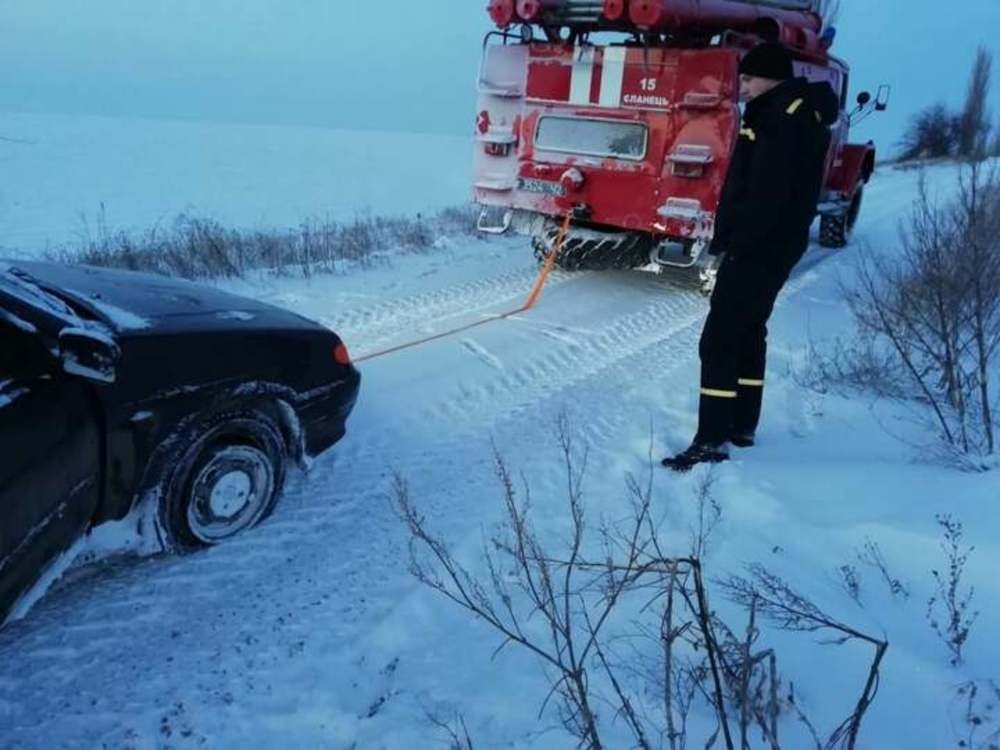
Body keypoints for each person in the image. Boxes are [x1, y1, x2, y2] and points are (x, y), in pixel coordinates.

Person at [662, 42, 838, 472]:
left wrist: (737, 243)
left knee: (720, 339)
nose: (741, 86)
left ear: (770, 78)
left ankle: (711, 439)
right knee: (748, 332)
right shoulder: (791, 112)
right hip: (776, 244)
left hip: (759, 246)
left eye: (748, 78)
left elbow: (766, 192)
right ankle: (741, 426)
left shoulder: (780, 118)